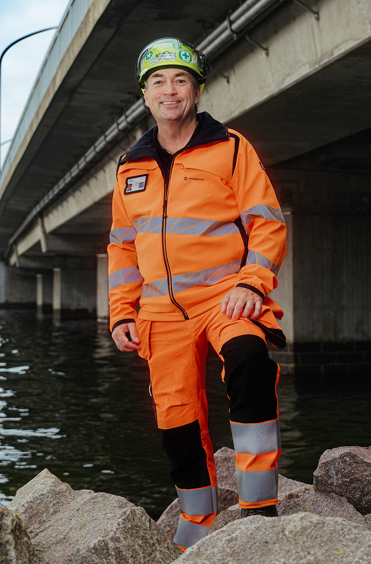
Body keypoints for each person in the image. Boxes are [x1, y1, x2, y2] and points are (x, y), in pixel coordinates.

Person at [108, 37, 287, 551]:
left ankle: (259, 507)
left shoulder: (231, 147)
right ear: (145, 95)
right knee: (176, 418)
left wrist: (253, 283)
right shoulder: (129, 166)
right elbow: (121, 247)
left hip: (226, 295)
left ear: (197, 89)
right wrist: (122, 313)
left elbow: (266, 222)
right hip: (160, 312)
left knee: (250, 358)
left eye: (180, 79)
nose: (170, 91)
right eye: (158, 81)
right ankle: (197, 520)